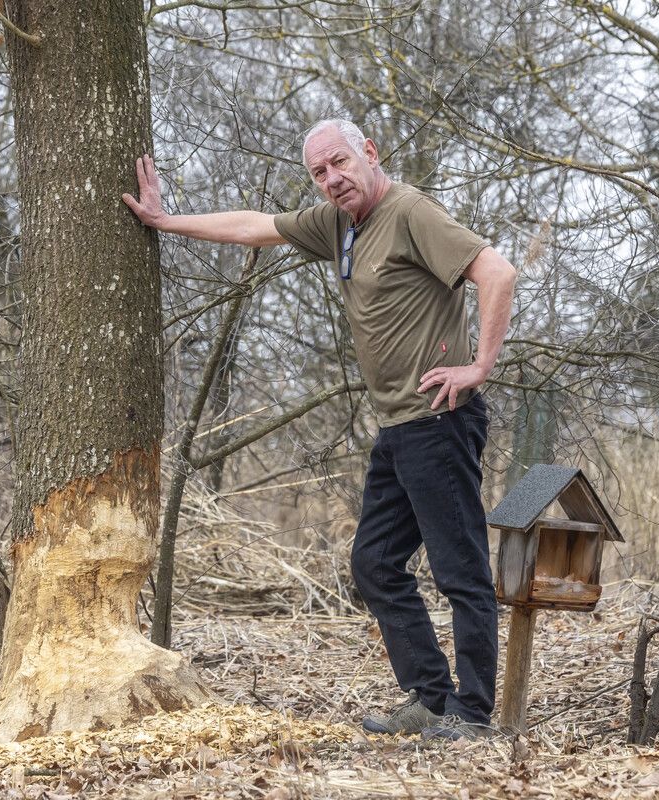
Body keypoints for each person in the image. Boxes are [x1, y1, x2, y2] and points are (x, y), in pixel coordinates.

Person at [122, 119, 517, 741]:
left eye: (340, 162)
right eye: (319, 172)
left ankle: (472, 713)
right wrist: (166, 222)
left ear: (369, 152)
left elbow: (497, 273)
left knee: (459, 570)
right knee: (375, 563)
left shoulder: (410, 212)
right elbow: (255, 227)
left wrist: (479, 366)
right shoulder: (340, 224)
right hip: (399, 428)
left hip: (440, 420)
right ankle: (431, 698)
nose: (332, 179)